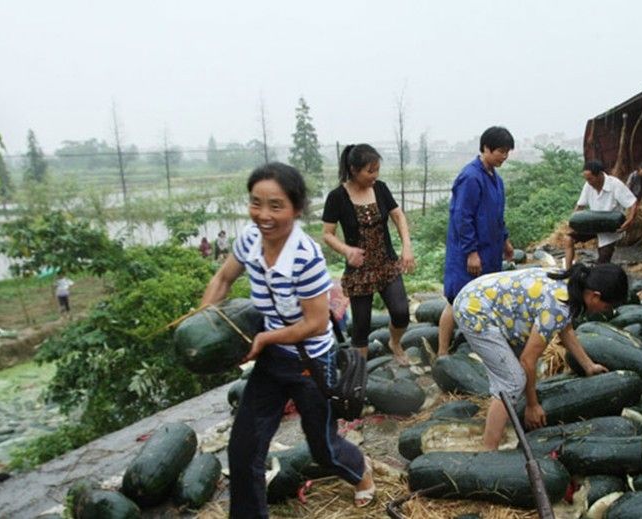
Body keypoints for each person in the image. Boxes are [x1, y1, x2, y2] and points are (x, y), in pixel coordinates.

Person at [200, 162, 375, 517]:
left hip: (311, 360)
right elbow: (222, 280)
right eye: (255, 203)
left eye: (275, 206)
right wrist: (205, 322)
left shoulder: (305, 256)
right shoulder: (249, 240)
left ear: (295, 209)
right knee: (244, 447)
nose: (263, 215)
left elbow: (313, 323)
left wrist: (264, 339)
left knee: (323, 447)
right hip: (272, 356)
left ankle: (360, 471)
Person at [452, 263, 627, 449]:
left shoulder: (574, 283)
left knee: (515, 377)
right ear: (595, 295)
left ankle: (500, 421)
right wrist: (532, 405)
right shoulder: (558, 304)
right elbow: (528, 360)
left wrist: (588, 365)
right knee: (512, 382)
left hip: (483, 299)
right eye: (607, 306)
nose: (605, 311)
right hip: (474, 311)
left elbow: (564, 328)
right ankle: (489, 451)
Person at [322, 144, 415, 364]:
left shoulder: (380, 189)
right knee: (361, 326)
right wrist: (347, 250)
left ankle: (395, 343)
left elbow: (398, 216)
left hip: (386, 263)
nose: (375, 175)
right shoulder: (337, 196)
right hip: (359, 269)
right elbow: (327, 234)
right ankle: (359, 377)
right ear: (354, 170)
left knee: (401, 313)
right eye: (370, 171)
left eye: (377, 170)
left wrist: (407, 247)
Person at [437, 126, 515, 357]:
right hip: (468, 252)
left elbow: (497, 216)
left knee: (484, 298)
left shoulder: (496, 178)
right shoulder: (470, 177)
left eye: (507, 152)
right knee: (457, 300)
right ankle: (442, 353)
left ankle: (478, 346)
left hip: (490, 250)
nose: (504, 156)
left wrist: (505, 241)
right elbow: (462, 216)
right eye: (500, 151)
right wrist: (471, 252)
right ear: (486, 148)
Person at [564, 159, 638, 267]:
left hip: (610, 227)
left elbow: (633, 203)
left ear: (599, 175)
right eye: (586, 179)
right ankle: (568, 271)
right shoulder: (588, 185)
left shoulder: (615, 184)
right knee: (568, 239)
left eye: (590, 179)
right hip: (593, 223)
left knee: (602, 262)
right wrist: (573, 222)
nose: (588, 182)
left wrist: (630, 220)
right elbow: (580, 205)